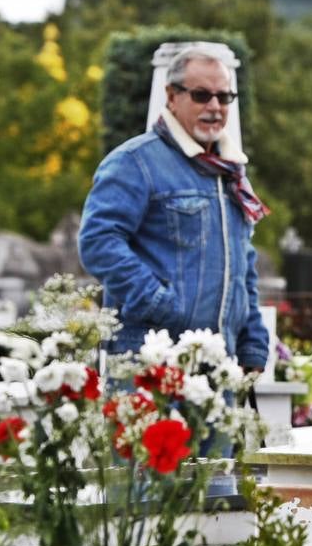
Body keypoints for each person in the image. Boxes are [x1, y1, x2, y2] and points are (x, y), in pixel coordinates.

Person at [78, 47, 271, 372]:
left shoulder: (231, 172)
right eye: (201, 95)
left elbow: (243, 265)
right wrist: (161, 303)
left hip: (219, 364)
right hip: (149, 361)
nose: (214, 107)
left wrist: (253, 342)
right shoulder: (134, 161)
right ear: (171, 96)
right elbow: (98, 242)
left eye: (224, 97)